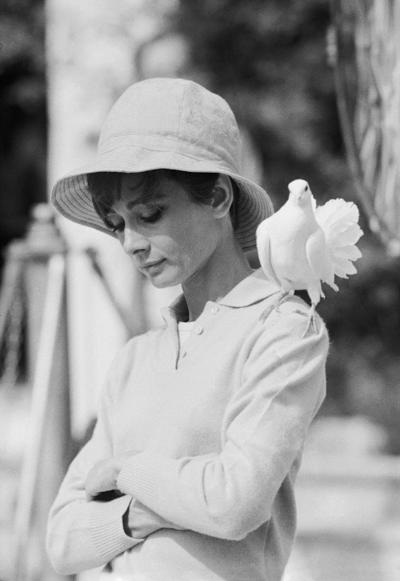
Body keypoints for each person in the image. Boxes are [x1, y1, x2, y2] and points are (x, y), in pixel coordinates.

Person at [47, 77, 329, 581]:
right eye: (116, 223)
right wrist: (141, 513)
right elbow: (63, 540)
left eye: (150, 214)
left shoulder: (284, 329)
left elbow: (236, 502)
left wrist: (124, 470)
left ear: (218, 197)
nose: (130, 242)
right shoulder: (135, 358)